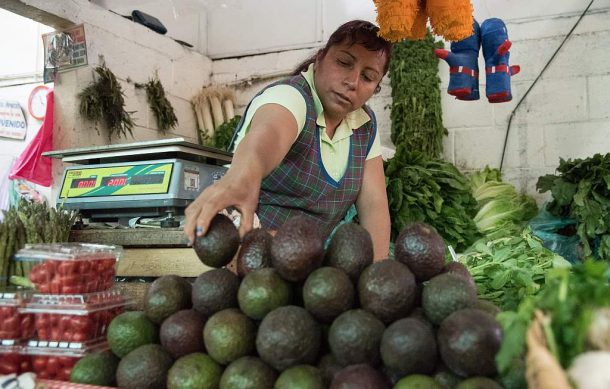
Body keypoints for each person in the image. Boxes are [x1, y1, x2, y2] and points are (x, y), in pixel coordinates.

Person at [184, 20, 392, 260]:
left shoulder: (364, 125)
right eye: (344, 63)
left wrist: (377, 276)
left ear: (376, 88)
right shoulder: (290, 97)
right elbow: (269, 133)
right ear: (321, 58)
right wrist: (243, 175)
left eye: (368, 77)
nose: (352, 82)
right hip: (252, 263)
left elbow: (375, 206)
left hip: (313, 275)